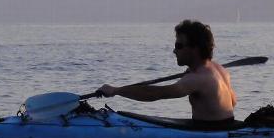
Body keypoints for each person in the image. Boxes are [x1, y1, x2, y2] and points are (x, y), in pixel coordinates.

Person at [96, 20, 238, 121]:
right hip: (224, 130)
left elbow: (155, 94)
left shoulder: (196, 79)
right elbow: (233, 102)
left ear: (195, 49)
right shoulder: (220, 70)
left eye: (179, 45)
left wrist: (116, 91)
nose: (174, 50)